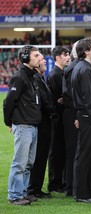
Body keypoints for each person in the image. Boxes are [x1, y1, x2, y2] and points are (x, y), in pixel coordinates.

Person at [3, 45, 42, 205]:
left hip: (32, 125)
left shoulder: (32, 77)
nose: (40, 57)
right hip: (23, 125)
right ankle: (14, 196)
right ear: (26, 58)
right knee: (20, 162)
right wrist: (9, 122)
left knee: (28, 163)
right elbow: (8, 102)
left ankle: (23, 193)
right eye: (36, 55)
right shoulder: (19, 77)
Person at [71, 38, 91, 203]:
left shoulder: (82, 68)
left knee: (84, 155)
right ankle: (83, 194)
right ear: (85, 52)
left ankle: (82, 192)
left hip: (85, 115)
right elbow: (89, 97)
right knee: (86, 156)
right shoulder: (85, 70)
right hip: (89, 117)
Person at [28, 53, 55, 198]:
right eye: (43, 60)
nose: (45, 62)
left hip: (44, 123)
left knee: (40, 157)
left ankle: (36, 188)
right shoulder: (36, 78)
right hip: (42, 123)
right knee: (38, 158)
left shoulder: (40, 78)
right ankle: (33, 189)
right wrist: (53, 110)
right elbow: (44, 101)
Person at [47, 46, 70, 193]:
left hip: (62, 118)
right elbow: (56, 100)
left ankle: (60, 181)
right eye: (65, 55)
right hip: (57, 119)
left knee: (61, 150)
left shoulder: (62, 73)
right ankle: (54, 183)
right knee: (56, 151)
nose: (68, 57)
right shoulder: (55, 75)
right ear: (57, 57)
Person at [62, 41, 79, 197]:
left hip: (73, 113)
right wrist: (76, 115)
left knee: (74, 151)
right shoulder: (73, 69)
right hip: (73, 115)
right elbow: (69, 95)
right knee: (73, 151)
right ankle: (71, 186)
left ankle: (72, 185)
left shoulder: (72, 68)